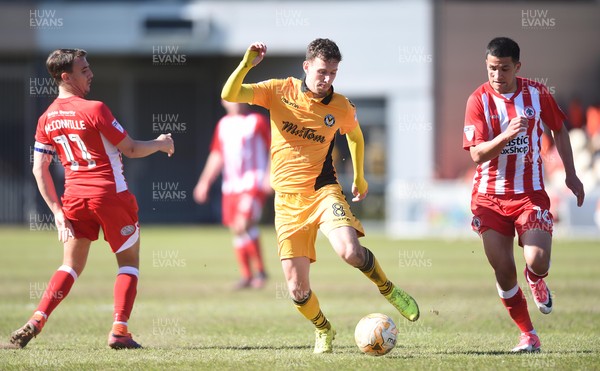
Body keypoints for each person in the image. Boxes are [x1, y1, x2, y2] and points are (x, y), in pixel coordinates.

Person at [221, 38, 420, 353]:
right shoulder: (277, 90)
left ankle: (388, 288)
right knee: (297, 290)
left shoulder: (341, 106)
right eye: (322, 71)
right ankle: (323, 329)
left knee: (350, 252)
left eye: (333, 73)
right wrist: (247, 64)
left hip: (323, 191)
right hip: (286, 203)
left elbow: (354, 135)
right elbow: (229, 94)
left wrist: (360, 175)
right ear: (306, 67)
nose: (327, 79)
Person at [10, 49, 174, 349]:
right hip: (110, 196)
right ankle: (119, 331)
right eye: (84, 70)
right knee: (128, 261)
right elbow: (132, 149)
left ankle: (37, 319)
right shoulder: (95, 109)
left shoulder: (46, 119)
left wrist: (58, 213)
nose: (90, 74)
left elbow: (39, 169)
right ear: (65, 76)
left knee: (70, 265)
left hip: (73, 199)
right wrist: (161, 143)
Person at [463, 37, 585, 353]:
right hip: (488, 198)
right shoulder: (477, 100)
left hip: (529, 193)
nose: (497, 75)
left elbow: (559, 128)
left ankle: (536, 277)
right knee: (503, 270)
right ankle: (528, 335)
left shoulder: (536, 93)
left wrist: (571, 174)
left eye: (504, 68)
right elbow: (476, 155)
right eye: (492, 68)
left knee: (538, 259)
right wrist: (506, 134)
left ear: (518, 66)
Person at [193, 100, 271, 289]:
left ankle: (260, 272)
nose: (235, 102)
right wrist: (204, 182)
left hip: (254, 181)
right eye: (230, 98)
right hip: (231, 186)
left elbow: (274, 148)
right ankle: (247, 276)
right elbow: (217, 155)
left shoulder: (257, 121)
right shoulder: (223, 125)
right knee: (237, 229)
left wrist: (270, 175)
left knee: (242, 223)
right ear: (223, 101)